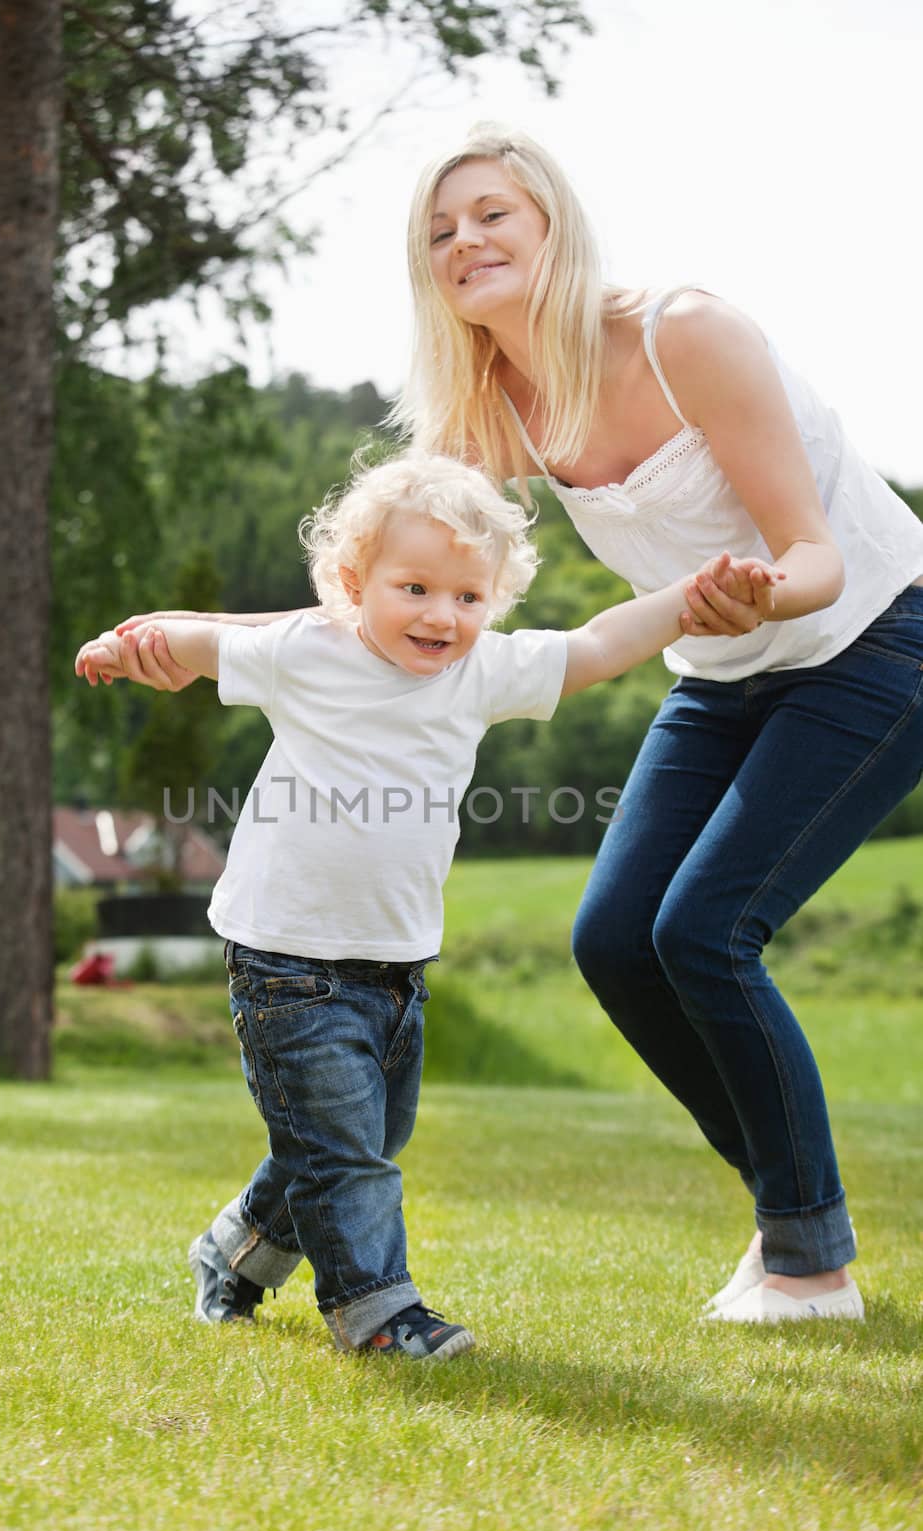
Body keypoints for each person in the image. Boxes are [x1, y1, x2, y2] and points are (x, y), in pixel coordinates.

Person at [386, 123, 923, 1324]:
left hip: (873, 639)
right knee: (614, 939)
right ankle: (796, 1221)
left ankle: (808, 1264)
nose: (464, 241)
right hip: (719, 669)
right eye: (438, 233)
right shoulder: (491, 401)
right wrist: (232, 646)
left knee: (703, 929)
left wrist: (756, 591)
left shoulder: (683, 334)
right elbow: (392, 555)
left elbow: (814, 556)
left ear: (549, 224)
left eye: (489, 214)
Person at [75, 451, 779, 1357]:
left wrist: (690, 595)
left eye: (467, 597)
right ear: (351, 584)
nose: (441, 616)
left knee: (356, 1136)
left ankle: (233, 1253)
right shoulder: (304, 653)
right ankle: (376, 1313)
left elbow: (600, 644)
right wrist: (129, 647)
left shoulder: (480, 673)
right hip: (286, 959)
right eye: (413, 588)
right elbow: (199, 638)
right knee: (344, 1155)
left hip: (396, 961)